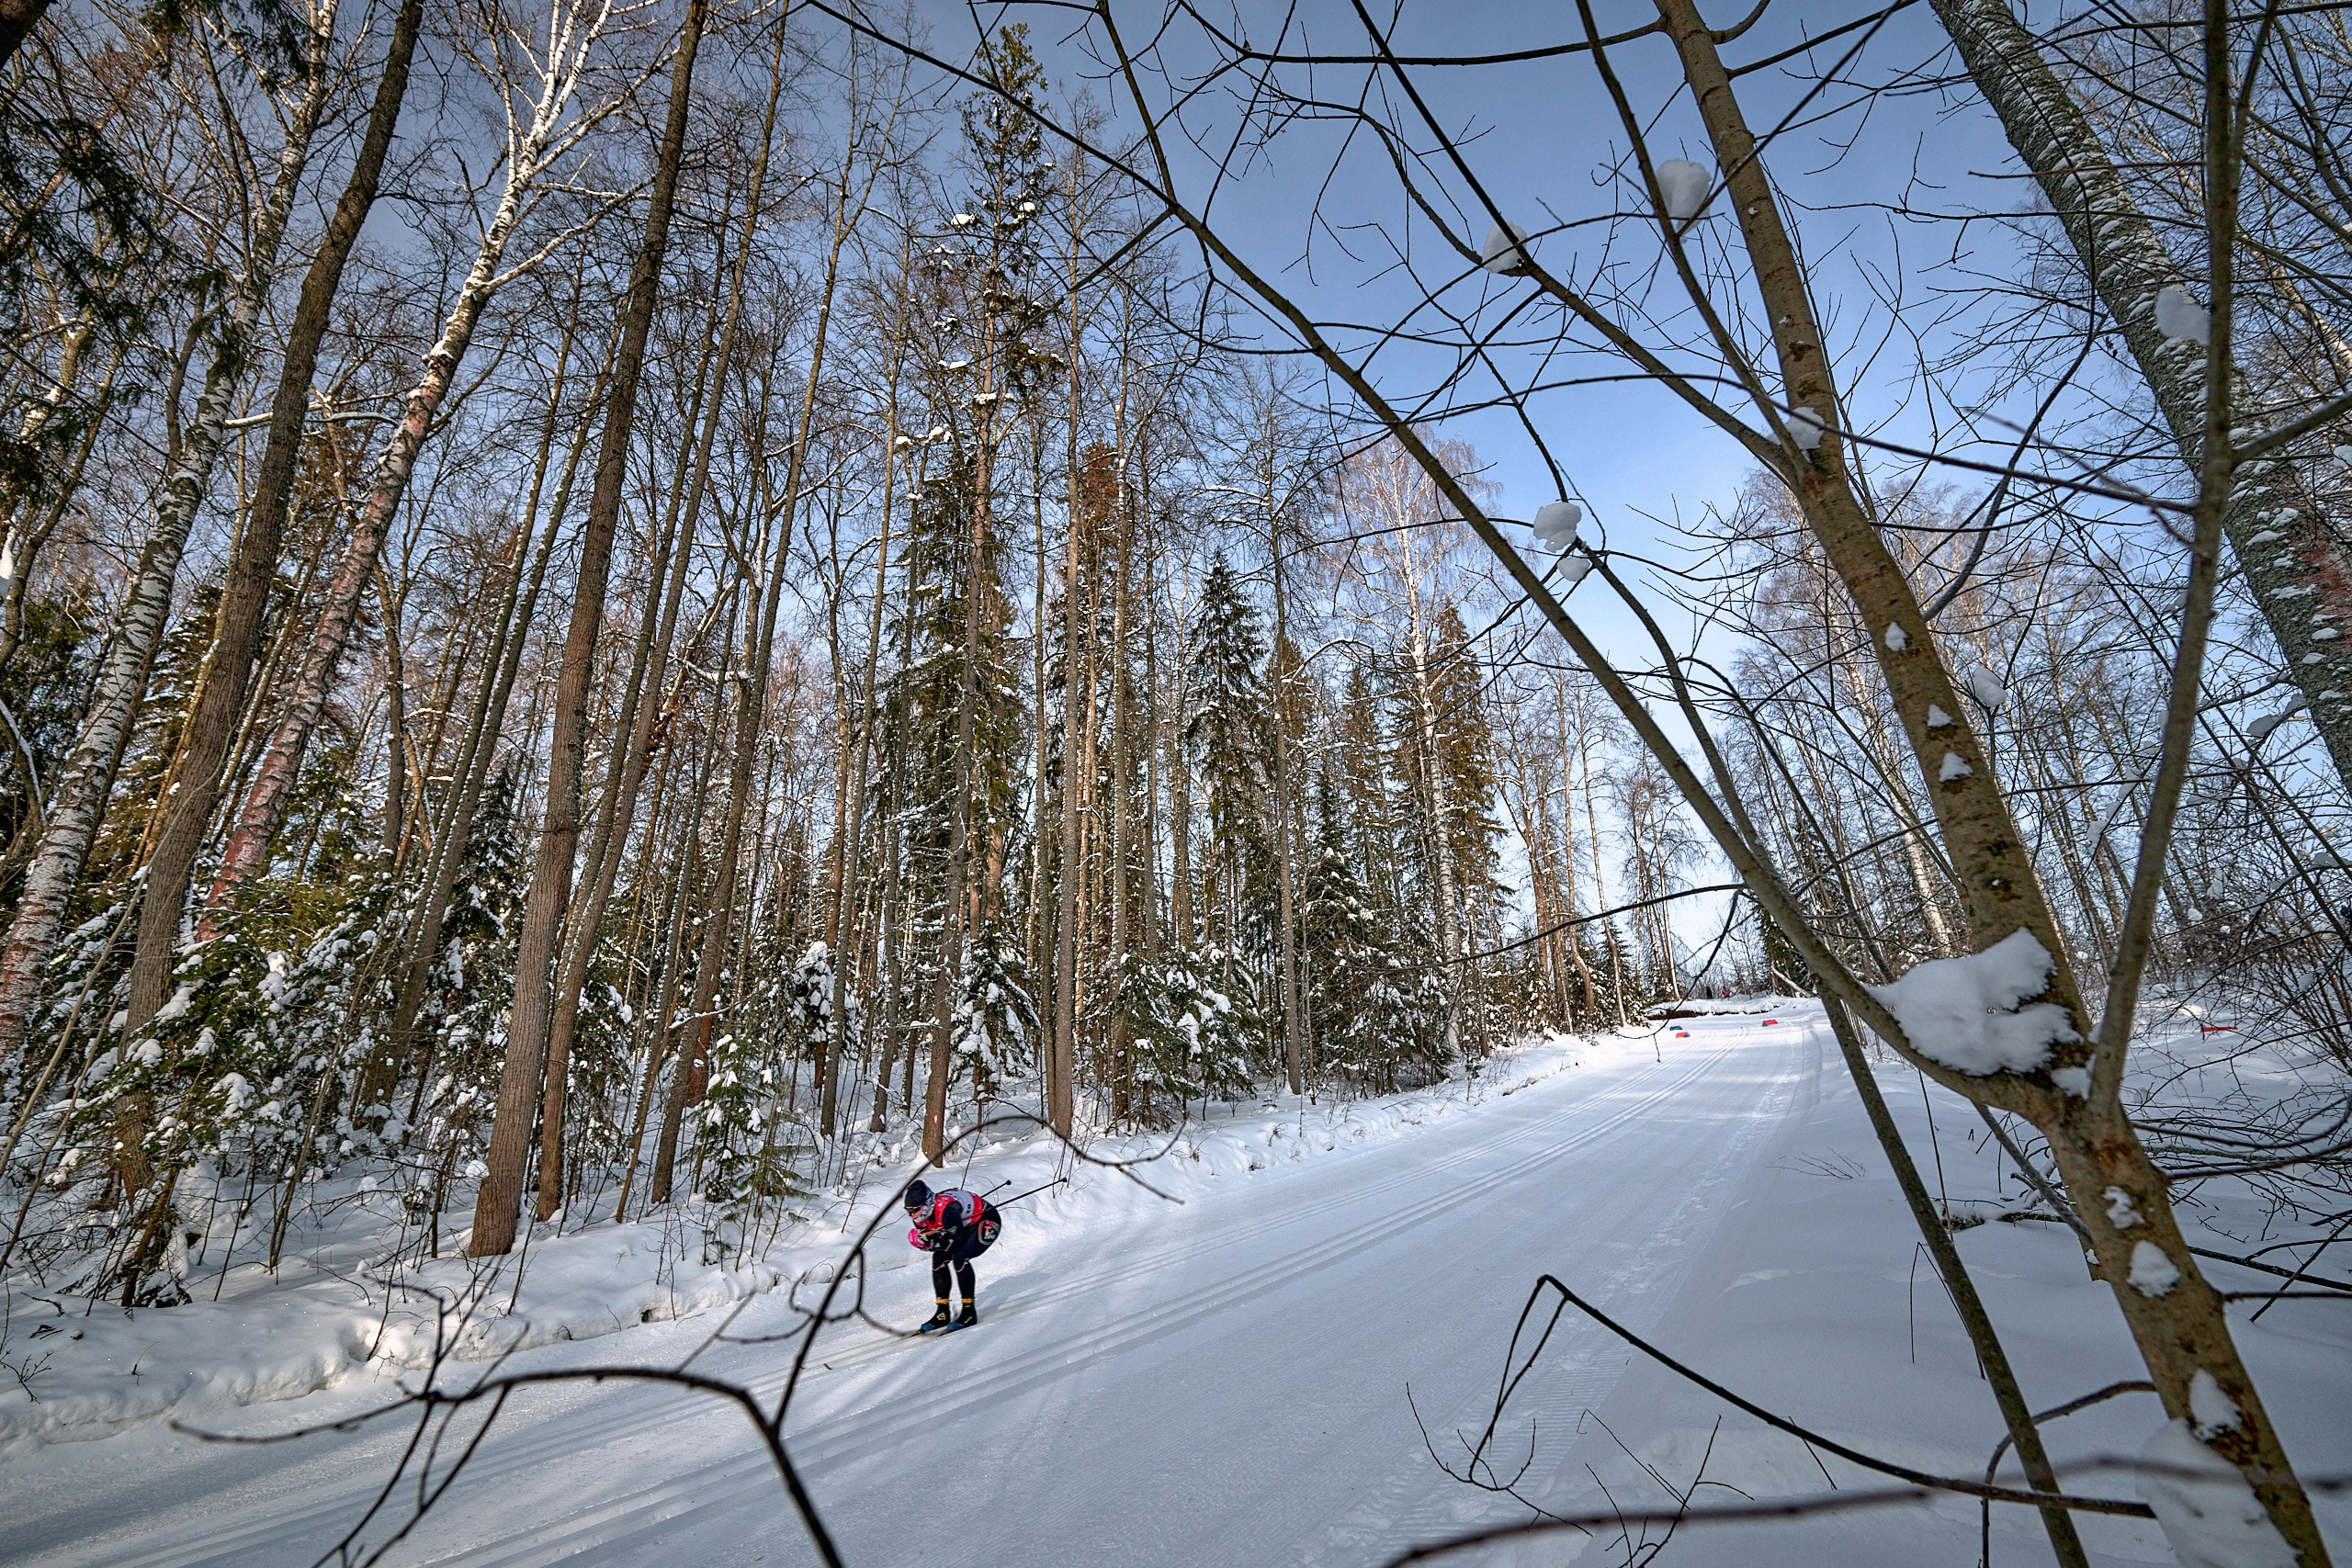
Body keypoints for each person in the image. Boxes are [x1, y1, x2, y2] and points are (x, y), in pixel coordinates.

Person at [904, 1179, 1001, 1330]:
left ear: (926, 1204)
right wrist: (923, 1241)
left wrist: (930, 1244)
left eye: (914, 1210)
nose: (911, 1215)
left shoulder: (947, 1210)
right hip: (963, 1225)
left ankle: (969, 1312)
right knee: (938, 1259)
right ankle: (942, 1312)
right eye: (908, 1211)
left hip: (985, 1218)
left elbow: (954, 1242)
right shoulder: (920, 1216)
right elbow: (936, 1239)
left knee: (960, 1258)